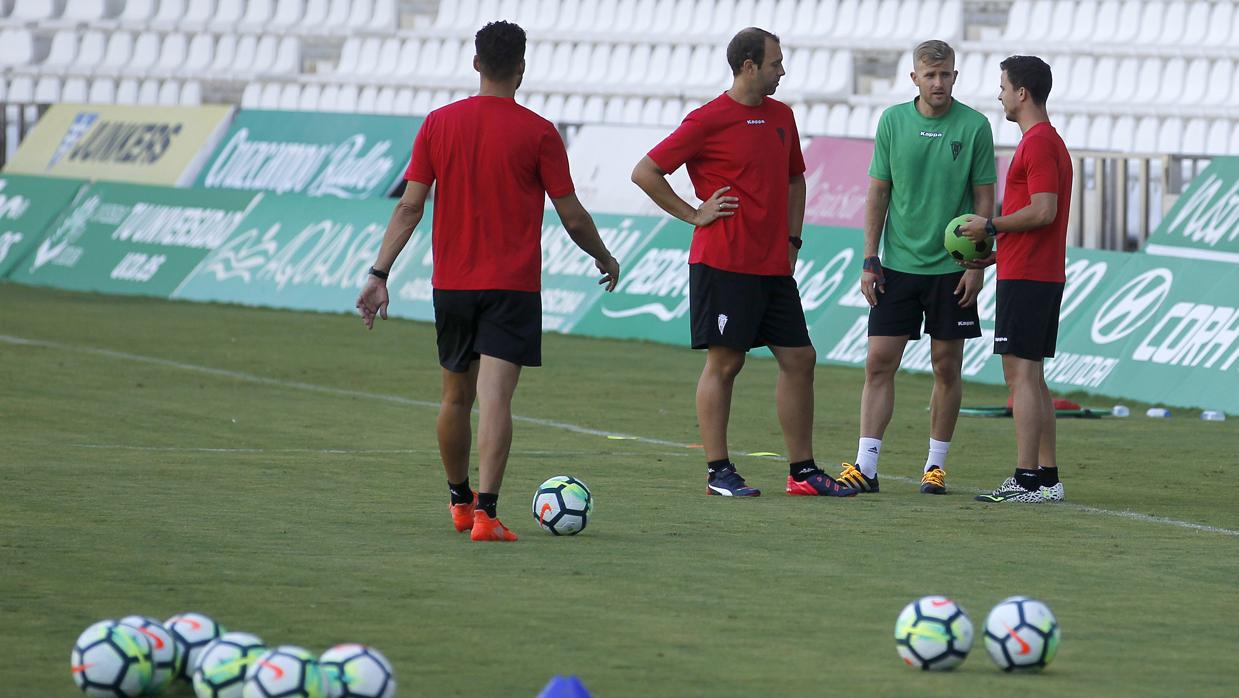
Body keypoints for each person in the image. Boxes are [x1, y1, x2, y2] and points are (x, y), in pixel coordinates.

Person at [356, 21, 621, 540]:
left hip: (452, 283)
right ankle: (487, 515)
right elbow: (572, 216)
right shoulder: (540, 132)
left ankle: (459, 501)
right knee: (496, 399)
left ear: (475, 63)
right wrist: (604, 256)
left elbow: (410, 206)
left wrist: (379, 272)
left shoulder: (438, 124)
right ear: (522, 68)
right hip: (512, 287)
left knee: (455, 398)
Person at [631, 27, 854, 498]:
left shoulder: (782, 117)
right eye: (776, 62)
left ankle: (802, 471)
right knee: (726, 363)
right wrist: (694, 214)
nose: (782, 70)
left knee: (800, 358)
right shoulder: (707, 120)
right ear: (749, 65)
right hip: (724, 262)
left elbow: (796, 180)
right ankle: (718, 472)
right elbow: (645, 172)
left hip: (774, 265)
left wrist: (793, 240)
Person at [835, 40, 995, 496]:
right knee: (878, 363)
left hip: (952, 268)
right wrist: (870, 258)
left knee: (947, 367)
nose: (938, 83)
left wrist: (978, 263)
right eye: (930, 75)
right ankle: (866, 465)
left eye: (945, 75)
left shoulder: (975, 126)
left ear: (955, 77)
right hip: (898, 268)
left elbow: (985, 199)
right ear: (915, 79)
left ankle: (935, 466)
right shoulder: (892, 122)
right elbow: (877, 193)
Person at [958, 55, 1070, 504]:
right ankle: (1047, 478)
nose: (999, 94)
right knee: (1033, 377)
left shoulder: (1038, 143)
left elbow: (1044, 211)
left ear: (1022, 93)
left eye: (1003, 86)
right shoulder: (1047, 141)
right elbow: (1041, 219)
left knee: (1021, 376)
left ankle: (1026, 479)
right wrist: (996, 256)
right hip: (1032, 270)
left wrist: (990, 227)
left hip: (1029, 278)